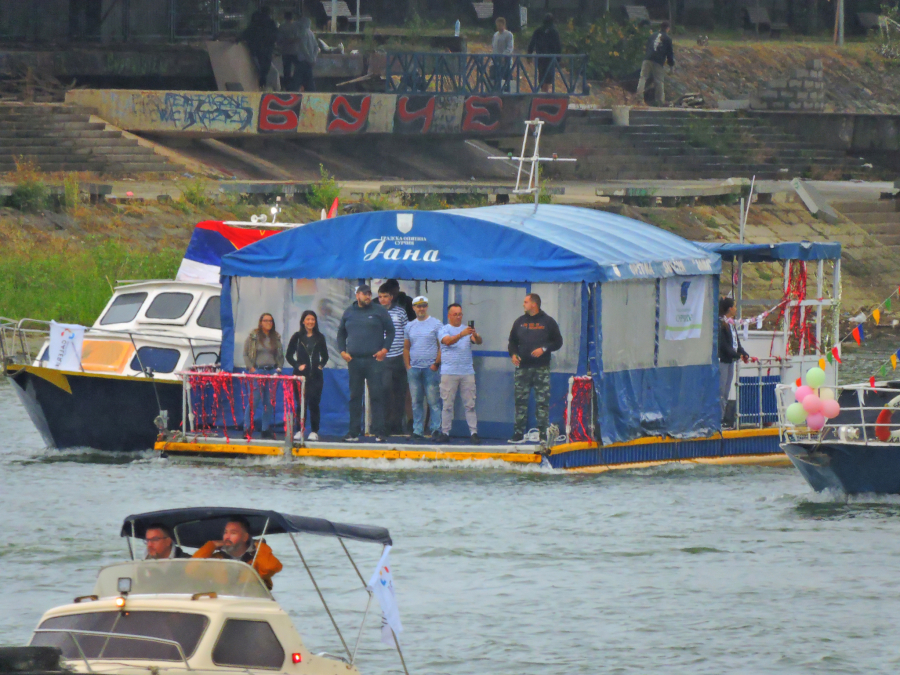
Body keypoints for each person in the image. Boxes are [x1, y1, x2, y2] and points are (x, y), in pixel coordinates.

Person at [337, 284, 394, 442]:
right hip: (354, 360)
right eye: (364, 294)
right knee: (355, 396)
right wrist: (342, 351)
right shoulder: (349, 311)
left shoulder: (379, 310)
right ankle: (353, 432)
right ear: (357, 295)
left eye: (369, 293)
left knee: (376, 395)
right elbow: (341, 333)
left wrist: (384, 350)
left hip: (374, 359)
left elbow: (391, 331)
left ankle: (379, 432)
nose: (368, 296)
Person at [508, 293, 563, 444]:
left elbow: (558, 342)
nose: (523, 304)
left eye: (526, 302)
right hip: (523, 368)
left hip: (541, 368)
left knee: (542, 402)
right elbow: (512, 342)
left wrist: (544, 349)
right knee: (520, 401)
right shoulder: (520, 322)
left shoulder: (548, 322)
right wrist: (513, 354)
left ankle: (543, 434)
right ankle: (518, 433)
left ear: (534, 304)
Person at [193, 516, 283, 589]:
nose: (227, 537)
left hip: (250, 602)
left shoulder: (257, 559)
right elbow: (191, 570)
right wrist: (212, 545)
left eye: (233, 533)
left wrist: (260, 545)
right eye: (225, 532)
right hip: (222, 600)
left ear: (245, 537)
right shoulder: (217, 558)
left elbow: (269, 568)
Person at [437, 304, 483, 444]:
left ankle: (473, 433)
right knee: (447, 405)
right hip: (449, 372)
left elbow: (479, 342)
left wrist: (475, 334)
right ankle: (445, 432)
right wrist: (461, 334)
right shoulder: (444, 329)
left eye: (460, 314)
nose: (458, 317)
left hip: (466, 372)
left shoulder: (466, 330)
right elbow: (447, 341)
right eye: (455, 314)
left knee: (470, 404)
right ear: (449, 316)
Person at [286, 309, 328, 441]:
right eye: (308, 319)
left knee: (314, 403)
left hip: (316, 377)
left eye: (313, 319)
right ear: (303, 321)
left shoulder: (320, 337)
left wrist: (320, 366)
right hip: (300, 377)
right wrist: (297, 366)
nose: (310, 322)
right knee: (300, 404)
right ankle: (300, 429)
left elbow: (325, 356)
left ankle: (314, 431)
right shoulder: (297, 337)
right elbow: (288, 355)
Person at [404, 296, 442, 440]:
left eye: (424, 306)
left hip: (430, 369)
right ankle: (418, 430)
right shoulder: (409, 326)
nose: (421, 309)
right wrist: (408, 366)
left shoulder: (436, 324)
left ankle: (436, 429)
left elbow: (441, 346)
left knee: (433, 401)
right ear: (413, 308)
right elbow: (406, 348)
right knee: (416, 402)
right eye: (418, 306)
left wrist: (436, 364)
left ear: (427, 307)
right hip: (414, 369)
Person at [242, 313, 284, 440]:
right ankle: (247, 428)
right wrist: (252, 369)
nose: (268, 323)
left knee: (269, 403)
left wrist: (278, 369)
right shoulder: (253, 337)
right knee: (254, 401)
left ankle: (265, 429)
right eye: (265, 320)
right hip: (258, 371)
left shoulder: (276, 338)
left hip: (271, 372)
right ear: (260, 322)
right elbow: (245, 354)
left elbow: (281, 356)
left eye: (270, 321)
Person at [379, 283, 409, 435]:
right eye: (380, 297)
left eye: (385, 296)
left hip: (399, 357)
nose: (382, 299)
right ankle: (385, 425)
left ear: (391, 297)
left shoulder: (400, 312)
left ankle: (397, 425)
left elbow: (407, 333)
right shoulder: (375, 312)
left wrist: (406, 354)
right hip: (383, 359)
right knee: (385, 391)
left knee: (399, 392)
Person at [718, 297, 749, 425]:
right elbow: (724, 345)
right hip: (723, 361)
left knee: (726, 391)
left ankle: (722, 417)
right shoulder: (721, 324)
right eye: (735, 306)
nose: (736, 309)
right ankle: (718, 418)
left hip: (730, 361)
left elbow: (736, 343)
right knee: (721, 391)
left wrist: (744, 353)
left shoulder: (731, 324)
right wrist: (737, 355)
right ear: (730, 309)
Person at [636, 20, 675, 107]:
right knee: (659, 81)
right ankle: (660, 101)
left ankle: (639, 98)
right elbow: (670, 54)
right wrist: (671, 66)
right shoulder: (667, 39)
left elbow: (647, 47)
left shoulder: (652, 35)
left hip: (647, 59)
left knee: (643, 78)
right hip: (658, 61)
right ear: (668, 28)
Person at [242, 5, 279, 89]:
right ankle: (263, 85)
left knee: (259, 68)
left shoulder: (256, 22)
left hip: (256, 48)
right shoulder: (271, 23)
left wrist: (238, 39)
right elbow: (276, 36)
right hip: (267, 49)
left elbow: (247, 32)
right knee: (265, 69)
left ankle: (261, 84)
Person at [528, 13, 562, 93]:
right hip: (550, 57)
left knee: (542, 74)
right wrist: (558, 58)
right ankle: (545, 92)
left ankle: (544, 91)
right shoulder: (554, 31)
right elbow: (558, 46)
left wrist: (529, 54)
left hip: (541, 56)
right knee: (548, 76)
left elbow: (532, 43)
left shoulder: (539, 30)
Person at [492, 17, 514, 93]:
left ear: (504, 25)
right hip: (496, 59)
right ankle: (496, 90)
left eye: (500, 25)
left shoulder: (508, 34)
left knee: (506, 75)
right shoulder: (495, 35)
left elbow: (510, 47)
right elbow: (494, 47)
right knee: (495, 76)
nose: (498, 27)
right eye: (497, 25)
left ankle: (507, 90)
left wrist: (504, 56)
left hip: (505, 59)